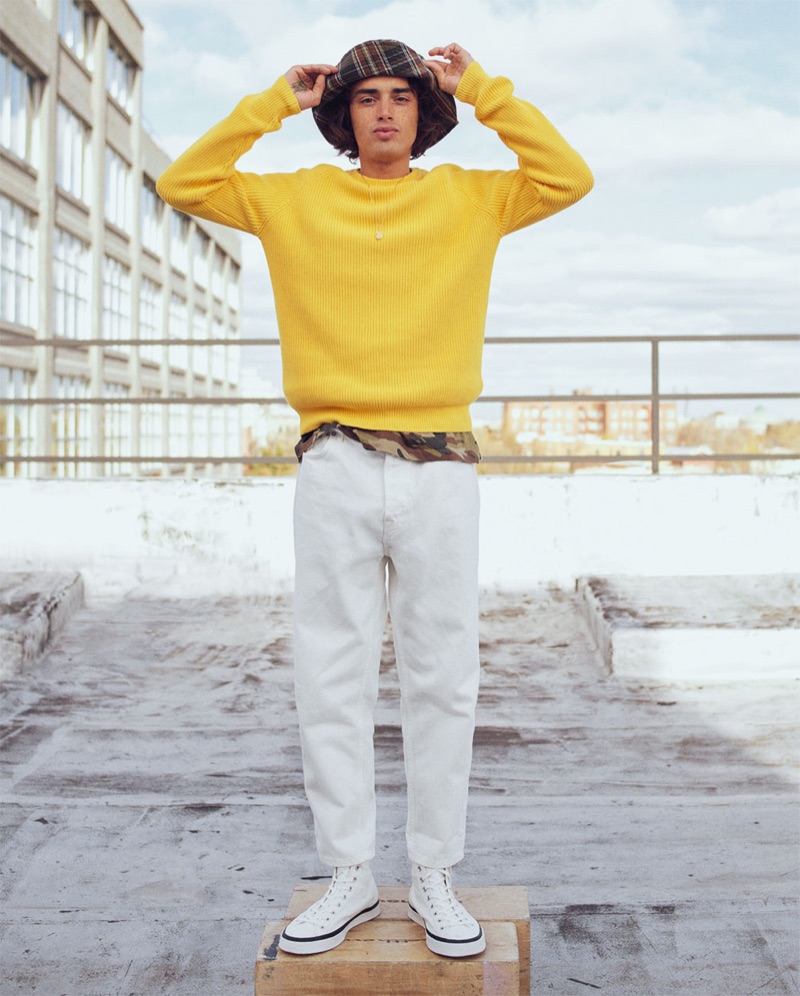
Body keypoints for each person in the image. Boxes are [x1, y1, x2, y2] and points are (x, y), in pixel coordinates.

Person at [157, 38, 592, 959]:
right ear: (344, 113)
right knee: (333, 675)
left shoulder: (471, 195)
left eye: (402, 96)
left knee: (443, 675)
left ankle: (435, 872)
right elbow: (182, 185)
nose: (386, 111)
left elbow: (569, 175)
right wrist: (272, 101)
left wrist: (481, 89)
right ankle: (349, 874)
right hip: (335, 463)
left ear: (424, 112)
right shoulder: (293, 198)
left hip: (442, 467)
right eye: (366, 98)